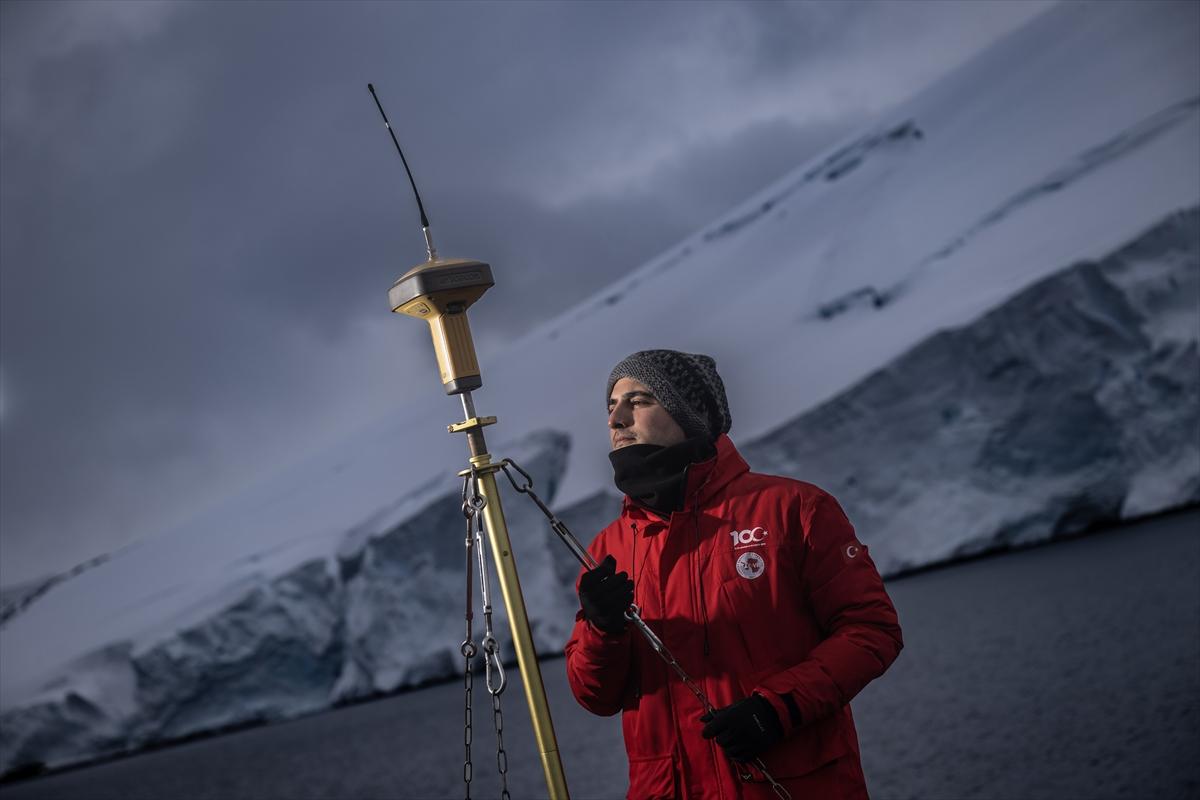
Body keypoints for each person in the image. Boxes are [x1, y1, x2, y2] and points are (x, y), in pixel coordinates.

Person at [564, 349, 904, 799]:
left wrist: (778, 707)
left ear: (693, 414)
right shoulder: (609, 549)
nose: (617, 419)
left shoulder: (793, 509)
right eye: (611, 406)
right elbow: (596, 697)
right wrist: (601, 630)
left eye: (640, 400)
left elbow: (871, 630)